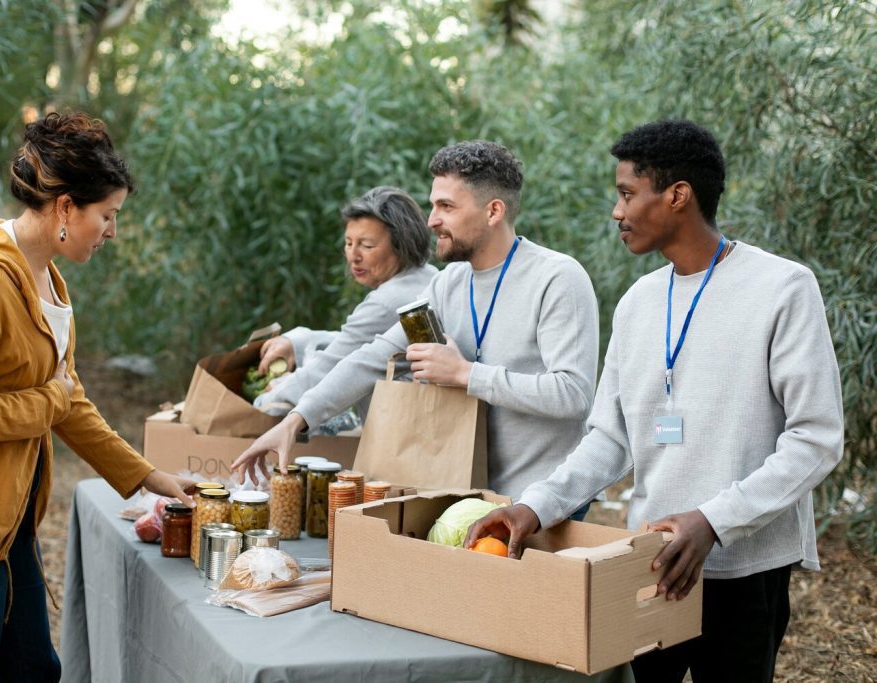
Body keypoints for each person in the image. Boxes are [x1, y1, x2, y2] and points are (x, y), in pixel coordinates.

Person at [465, 120, 844, 682]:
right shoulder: (638, 302)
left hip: (745, 573)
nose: (616, 212)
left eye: (626, 193)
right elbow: (609, 440)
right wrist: (536, 506)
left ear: (677, 195)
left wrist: (711, 522)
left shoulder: (782, 288)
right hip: (648, 564)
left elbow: (817, 438)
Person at [0, 112, 195, 682]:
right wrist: (47, 402)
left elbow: (68, 400)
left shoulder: (46, 278)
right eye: (108, 215)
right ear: (67, 208)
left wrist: (151, 478)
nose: (113, 232)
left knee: (32, 669)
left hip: (2, 517)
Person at [233, 140, 600, 506]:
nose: (431, 220)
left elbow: (573, 395)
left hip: (545, 503)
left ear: (493, 211)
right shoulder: (447, 284)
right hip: (467, 495)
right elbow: (372, 358)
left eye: (446, 206)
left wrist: (465, 374)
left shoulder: (557, 278)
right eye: (432, 205)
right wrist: (295, 420)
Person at [252, 186, 437, 421]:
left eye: (367, 245)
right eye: (349, 243)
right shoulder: (427, 277)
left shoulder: (389, 302)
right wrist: (299, 342)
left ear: (403, 245)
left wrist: (263, 402)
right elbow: (361, 346)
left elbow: (332, 368)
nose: (353, 255)